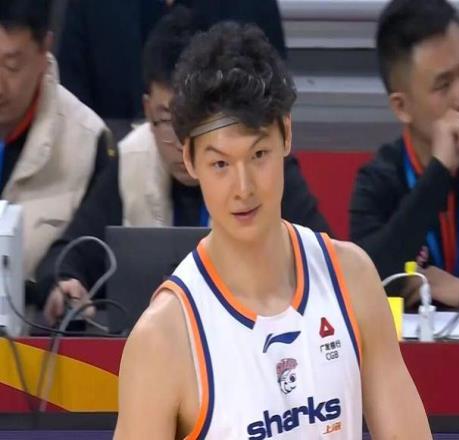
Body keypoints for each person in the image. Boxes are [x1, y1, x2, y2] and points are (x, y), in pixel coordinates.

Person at [114, 22, 430, 439]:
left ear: (286, 134)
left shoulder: (351, 279)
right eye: (220, 164)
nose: (243, 188)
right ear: (189, 160)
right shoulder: (163, 338)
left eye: (258, 154)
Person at [36, 8, 328, 326]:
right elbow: (67, 256)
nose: (180, 142)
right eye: (166, 121)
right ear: (148, 109)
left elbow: (324, 264)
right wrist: (65, 283)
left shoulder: (260, 163)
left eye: (193, 123)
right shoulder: (133, 159)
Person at [350, 0, 459, 310]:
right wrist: (439, 173)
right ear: (402, 106)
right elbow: (365, 286)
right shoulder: (378, 183)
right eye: (443, 85)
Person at [0, 0, 112, 291]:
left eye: (12, 66)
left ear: (44, 50)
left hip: (34, 320)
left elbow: (87, 261)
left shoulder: (88, 140)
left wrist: (61, 287)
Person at [57, 0, 286, 121]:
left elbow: (272, 106)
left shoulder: (252, 6)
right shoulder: (91, 6)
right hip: (119, 175)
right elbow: (75, 113)